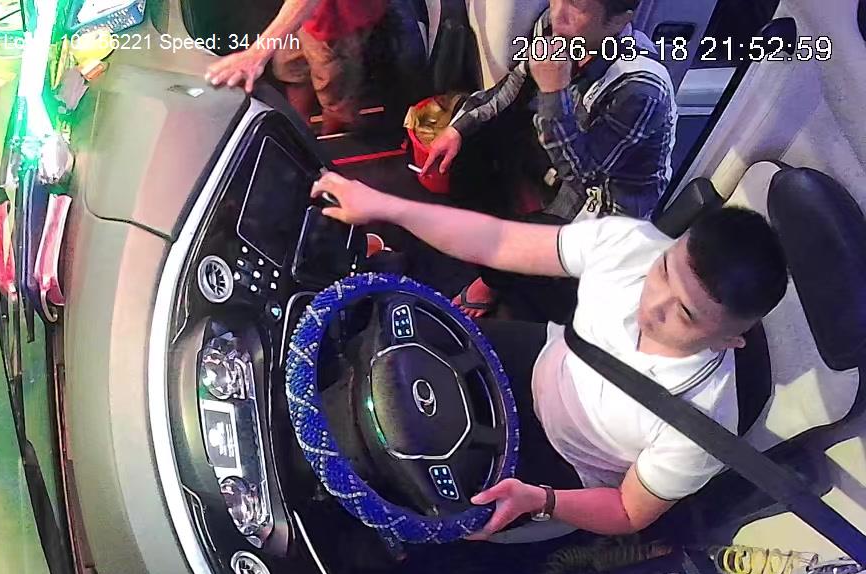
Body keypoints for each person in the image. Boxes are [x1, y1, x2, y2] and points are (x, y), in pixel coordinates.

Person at [311, 171, 789, 543]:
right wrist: (384, 206)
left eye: (684, 314)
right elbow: (497, 241)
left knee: (410, 504)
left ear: (729, 341)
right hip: (539, 356)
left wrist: (541, 500)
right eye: (665, 270)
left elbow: (628, 510)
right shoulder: (633, 246)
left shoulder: (704, 425)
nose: (653, 305)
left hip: (561, 468)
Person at [421, 0, 677, 320]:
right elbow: (510, 88)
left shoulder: (641, 88)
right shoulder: (553, 27)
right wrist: (457, 129)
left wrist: (553, 91)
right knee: (474, 139)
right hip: (566, 152)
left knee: (518, 240)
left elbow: (584, 174)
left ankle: (498, 283)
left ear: (618, 21)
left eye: (577, 6)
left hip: (608, 199)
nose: (558, 13)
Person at [203, 0, 388, 135]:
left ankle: (331, 145)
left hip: (337, 19)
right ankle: (300, 133)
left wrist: (256, 54)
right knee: (291, 70)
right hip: (298, 15)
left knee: (335, 97)